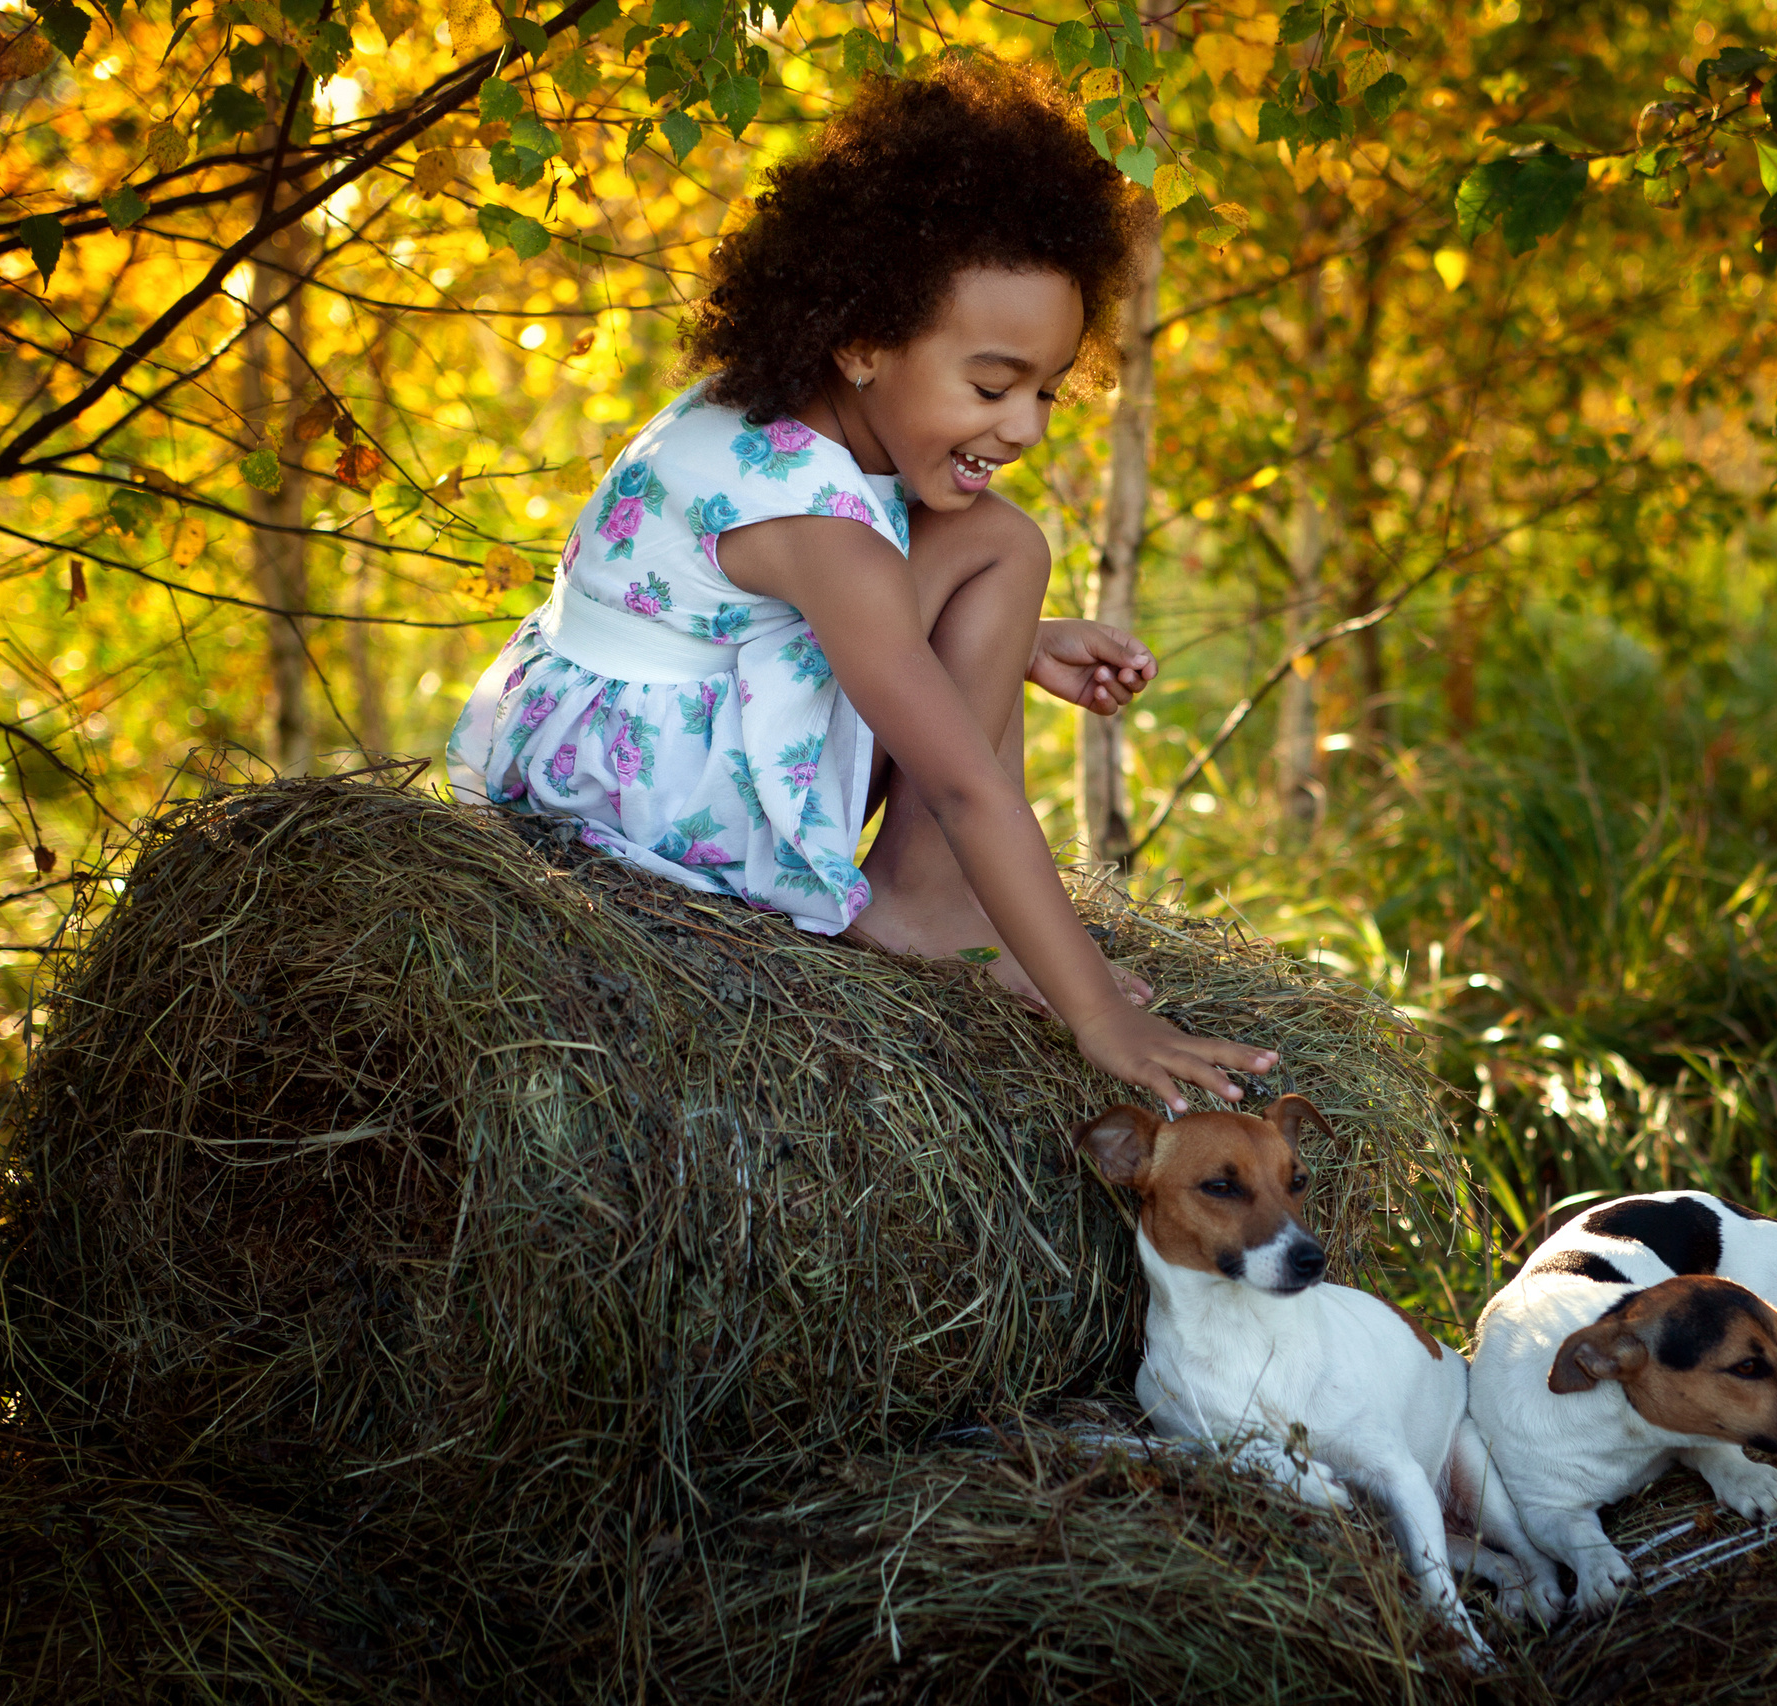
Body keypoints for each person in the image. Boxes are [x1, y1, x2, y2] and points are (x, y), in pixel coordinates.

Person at [449, 61, 1273, 1116]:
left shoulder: (767, 408)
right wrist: (1100, 1016)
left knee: (997, 543)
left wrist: (1018, 641)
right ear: (862, 340)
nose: (1024, 426)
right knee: (998, 551)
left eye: (1047, 390)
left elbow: (744, 605)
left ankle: (938, 896)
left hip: (585, 731)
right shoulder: (821, 532)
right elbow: (967, 787)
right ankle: (924, 904)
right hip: (655, 804)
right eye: (992, 384)